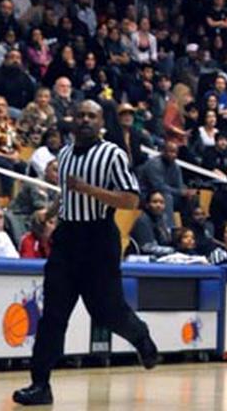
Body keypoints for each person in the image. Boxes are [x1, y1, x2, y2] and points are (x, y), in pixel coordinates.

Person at [13, 100, 157, 406]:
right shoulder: (64, 153)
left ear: (101, 122)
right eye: (80, 115)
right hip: (67, 239)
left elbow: (131, 200)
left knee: (107, 313)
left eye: (92, 116)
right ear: (72, 120)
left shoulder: (112, 154)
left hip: (99, 239)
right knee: (52, 314)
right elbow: (68, 192)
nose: (85, 120)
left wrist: (89, 190)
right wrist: (50, 212)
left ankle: (140, 336)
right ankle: (41, 384)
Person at [129, 191, 176, 257]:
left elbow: (166, 241)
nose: (158, 205)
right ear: (147, 205)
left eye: (161, 202)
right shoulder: (143, 221)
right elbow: (146, 248)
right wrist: (173, 250)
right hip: (142, 259)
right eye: (155, 202)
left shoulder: (163, 220)